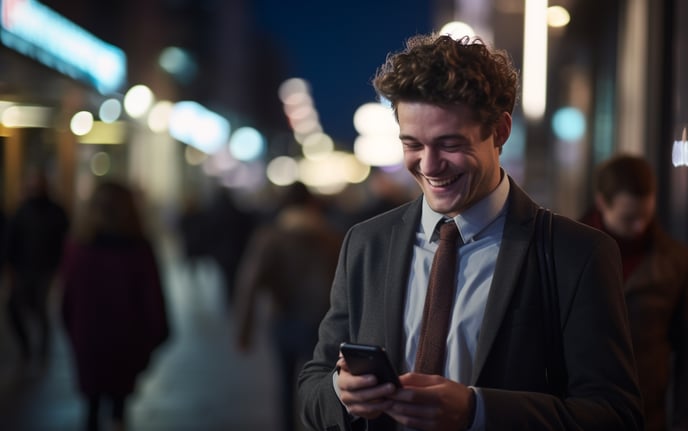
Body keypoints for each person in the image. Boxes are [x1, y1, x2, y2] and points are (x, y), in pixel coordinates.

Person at [298, 33, 644, 430]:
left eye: (449, 143)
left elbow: (616, 416)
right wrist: (341, 394)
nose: (429, 165)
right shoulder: (366, 243)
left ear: (499, 131)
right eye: (412, 144)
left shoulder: (577, 254)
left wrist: (477, 412)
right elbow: (311, 388)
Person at [579, 154, 688, 431]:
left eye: (645, 216)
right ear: (603, 203)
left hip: (645, 415)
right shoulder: (569, 251)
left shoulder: (676, 262)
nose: (639, 227)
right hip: (577, 412)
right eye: (629, 218)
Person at [59, 180, 169, 431]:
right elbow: (153, 299)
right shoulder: (139, 248)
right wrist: (156, 334)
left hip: (88, 337)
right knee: (119, 405)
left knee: (91, 405)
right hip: (127, 338)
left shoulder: (78, 248)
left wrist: (71, 329)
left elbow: (67, 299)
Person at [235, 182, 343, 431]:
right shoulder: (330, 236)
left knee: (285, 383)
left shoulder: (271, 237)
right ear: (311, 203)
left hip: (283, 317)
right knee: (323, 383)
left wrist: (244, 331)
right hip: (322, 321)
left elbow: (248, 284)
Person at [3, 168, 70, 361]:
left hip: (46, 269)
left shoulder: (56, 212)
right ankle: (27, 349)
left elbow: (65, 240)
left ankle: (42, 351)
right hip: (24, 268)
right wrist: (10, 267)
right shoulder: (21, 211)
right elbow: (11, 240)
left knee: (40, 309)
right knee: (15, 309)